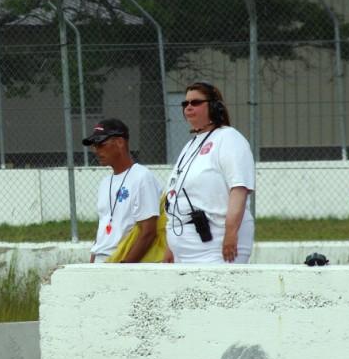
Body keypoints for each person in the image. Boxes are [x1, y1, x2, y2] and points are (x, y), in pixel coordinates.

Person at [164, 81, 255, 264]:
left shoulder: (229, 138)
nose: (188, 107)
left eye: (195, 102)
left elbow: (239, 188)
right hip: (185, 247)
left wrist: (231, 233)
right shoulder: (190, 145)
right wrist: (170, 247)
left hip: (216, 244)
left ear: (214, 107)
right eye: (185, 103)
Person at [82, 119, 164, 263]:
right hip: (101, 261)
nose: (96, 150)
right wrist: (93, 262)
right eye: (94, 146)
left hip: (122, 261)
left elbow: (148, 231)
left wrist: (125, 267)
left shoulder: (142, 177)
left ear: (120, 142)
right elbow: (103, 230)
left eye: (101, 144)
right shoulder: (105, 182)